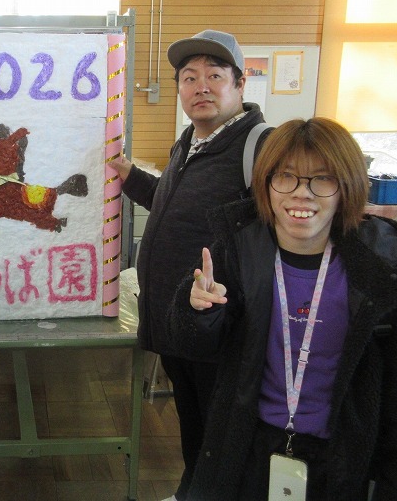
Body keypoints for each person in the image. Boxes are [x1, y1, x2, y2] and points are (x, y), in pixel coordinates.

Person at [170, 118, 397, 500]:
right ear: (266, 184)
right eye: (285, 177)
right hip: (248, 449)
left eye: (322, 179)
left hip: (344, 460)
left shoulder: (388, 268)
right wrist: (200, 311)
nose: (302, 194)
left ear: (347, 187)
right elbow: (195, 346)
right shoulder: (239, 249)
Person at [110, 29, 267, 501]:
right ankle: (191, 489)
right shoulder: (188, 144)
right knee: (194, 419)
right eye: (189, 77)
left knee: (224, 429)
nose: (201, 87)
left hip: (222, 325)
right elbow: (171, 203)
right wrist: (129, 175)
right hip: (179, 322)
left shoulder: (260, 146)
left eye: (214, 76)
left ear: (240, 85)